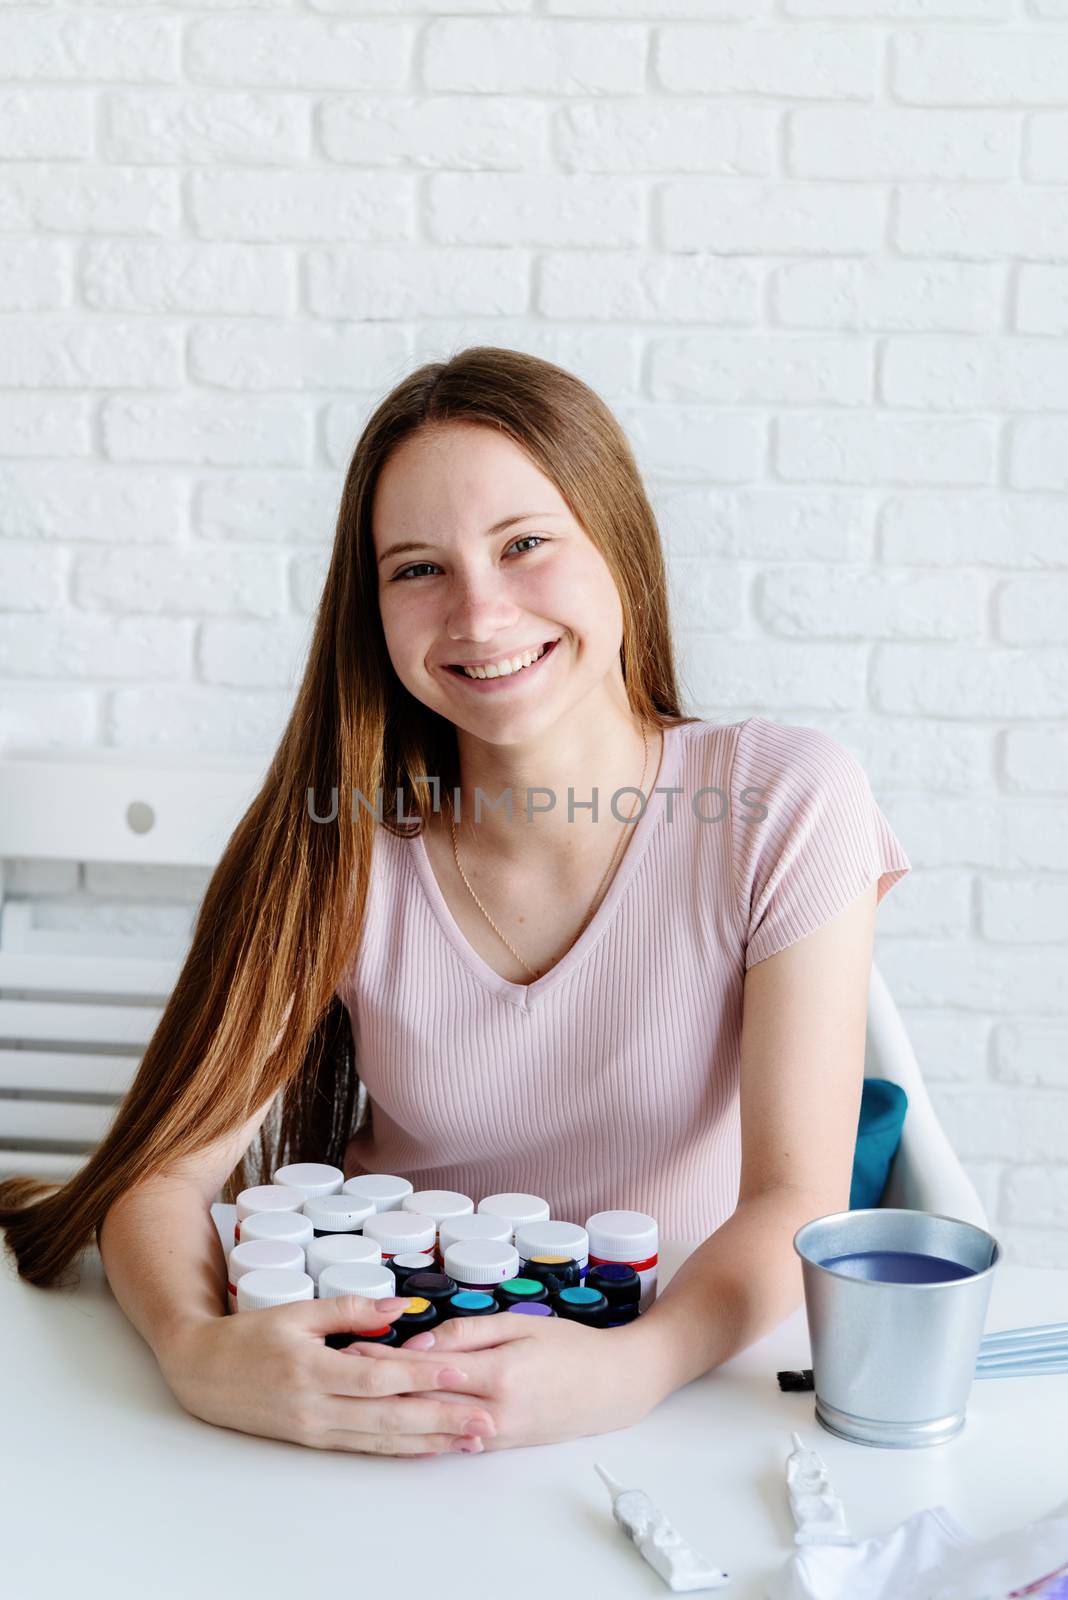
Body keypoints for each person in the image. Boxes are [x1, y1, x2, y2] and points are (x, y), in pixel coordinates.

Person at [0, 346, 910, 1461]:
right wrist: (195, 1348)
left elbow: (793, 1200)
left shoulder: (782, 799)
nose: (480, 615)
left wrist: (634, 1366)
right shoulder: (333, 838)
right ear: (371, 608)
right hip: (366, 1390)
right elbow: (163, 1173)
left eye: (526, 544)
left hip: (670, 1397)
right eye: (417, 569)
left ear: (617, 544)